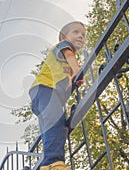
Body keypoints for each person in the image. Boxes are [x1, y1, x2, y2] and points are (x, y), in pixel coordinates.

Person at [29, 21, 86, 170]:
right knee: (55, 120)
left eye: (83, 35)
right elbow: (70, 57)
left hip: (42, 94)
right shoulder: (63, 47)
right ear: (63, 37)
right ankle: (53, 163)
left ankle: (46, 164)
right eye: (76, 32)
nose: (80, 36)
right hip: (45, 89)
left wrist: (73, 80)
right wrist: (78, 71)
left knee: (54, 126)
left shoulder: (63, 61)